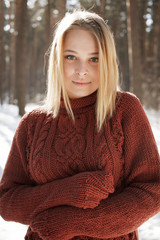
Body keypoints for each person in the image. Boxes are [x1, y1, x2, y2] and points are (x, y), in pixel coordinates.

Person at [0, 10, 160, 240]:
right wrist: (66, 191)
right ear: (57, 58)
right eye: (71, 57)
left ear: (106, 61)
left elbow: (152, 190)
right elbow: (7, 200)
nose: (81, 70)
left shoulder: (124, 109)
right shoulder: (33, 123)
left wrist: (73, 223)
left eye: (94, 59)